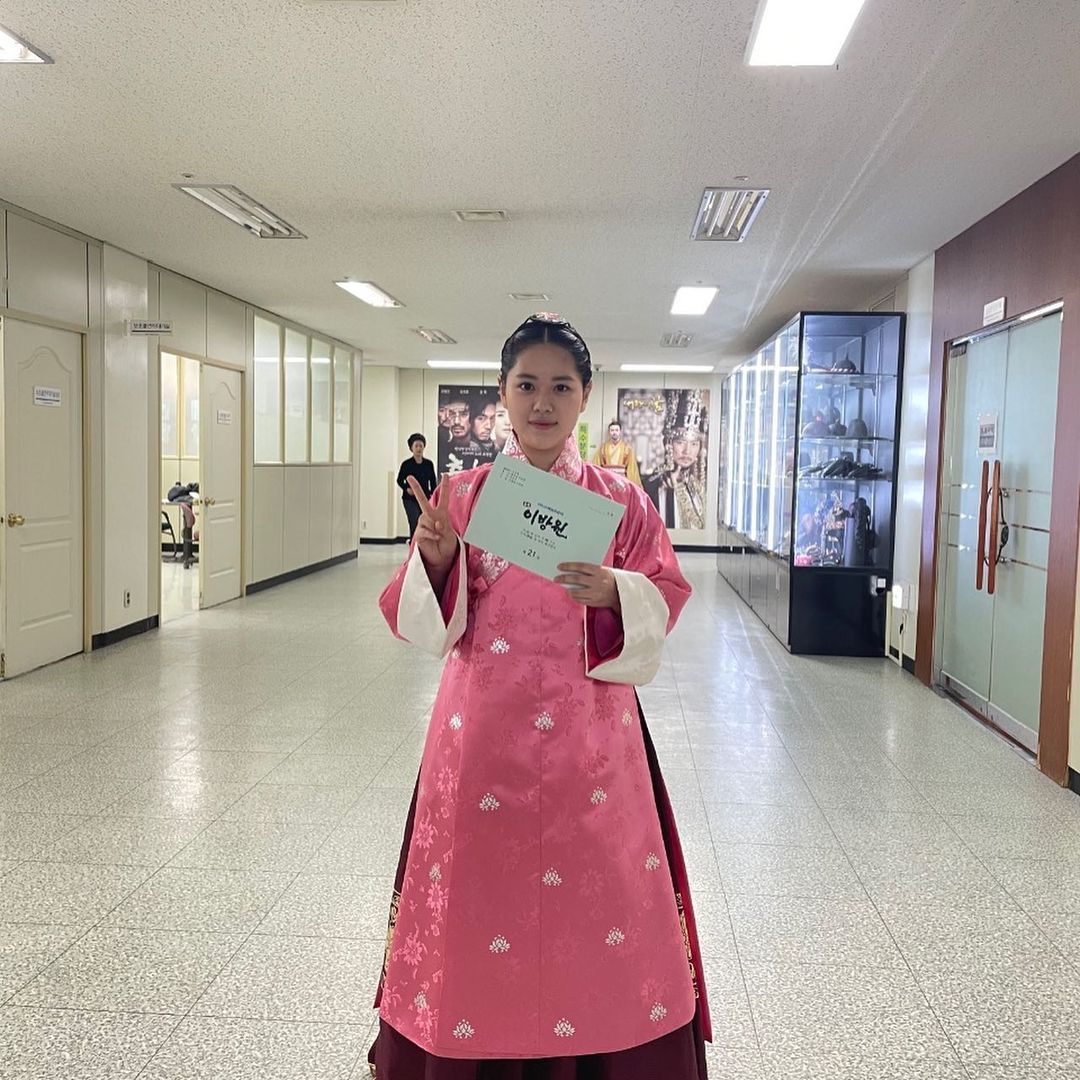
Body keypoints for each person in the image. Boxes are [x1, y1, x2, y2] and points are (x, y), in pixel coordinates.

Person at [369, 314, 711, 1079]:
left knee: (596, 903)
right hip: (481, 736)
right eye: (526, 385)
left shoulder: (622, 501)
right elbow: (419, 619)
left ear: (585, 395)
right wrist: (438, 561)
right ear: (502, 393)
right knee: (480, 893)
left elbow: (666, 592)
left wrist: (617, 590)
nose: (543, 403)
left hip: (593, 742)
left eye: (561, 386)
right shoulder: (464, 495)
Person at [643, 390, 708, 530]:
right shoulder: (651, 485)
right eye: (680, 442)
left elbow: (701, 524)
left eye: (694, 444)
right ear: (668, 443)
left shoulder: (701, 486)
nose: (687, 451)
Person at [396, 434, 438, 539]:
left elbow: (433, 482)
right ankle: (413, 543)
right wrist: (406, 488)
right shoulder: (406, 464)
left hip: (425, 498)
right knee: (414, 522)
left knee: (425, 523)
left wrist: (433, 496)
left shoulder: (429, 464)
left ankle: (423, 545)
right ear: (411, 448)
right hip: (410, 499)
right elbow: (399, 480)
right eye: (416, 446)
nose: (419, 448)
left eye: (421, 446)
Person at [593, 418, 642, 485]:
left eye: (616, 430)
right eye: (612, 430)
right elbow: (596, 465)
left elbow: (631, 469)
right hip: (607, 479)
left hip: (622, 481)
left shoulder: (627, 448)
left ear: (620, 432)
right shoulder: (603, 448)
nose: (614, 432)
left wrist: (632, 485)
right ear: (609, 432)